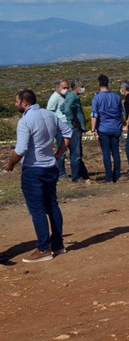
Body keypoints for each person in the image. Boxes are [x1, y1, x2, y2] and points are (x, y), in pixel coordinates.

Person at [3, 89, 72, 263]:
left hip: (33, 170)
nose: (15, 104)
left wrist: (10, 164)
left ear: (24, 103)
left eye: (16, 101)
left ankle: (43, 249)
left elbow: (21, 149)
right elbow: (68, 133)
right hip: (50, 166)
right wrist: (58, 154)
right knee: (52, 206)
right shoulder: (49, 115)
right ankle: (58, 244)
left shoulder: (25, 121)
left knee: (37, 210)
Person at [90, 74, 123, 183]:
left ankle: (109, 177)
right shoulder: (116, 97)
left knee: (106, 153)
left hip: (103, 129)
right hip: (115, 127)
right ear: (108, 83)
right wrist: (121, 126)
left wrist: (93, 129)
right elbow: (121, 113)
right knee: (116, 152)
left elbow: (94, 115)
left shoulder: (96, 98)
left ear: (99, 84)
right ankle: (117, 175)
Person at [60, 79, 89, 182]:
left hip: (73, 127)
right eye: (82, 86)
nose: (83, 88)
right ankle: (76, 177)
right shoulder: (72, 97)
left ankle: (82, 174)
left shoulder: (70, 96)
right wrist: (72, 120)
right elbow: (66, 109)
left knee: (77, 152)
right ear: (77, 88)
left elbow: (62, 107)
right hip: (74, 128)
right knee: (76, 153)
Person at [46, 78, 70, 178]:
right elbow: (49, 113)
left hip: (66, 126)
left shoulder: (65, 96)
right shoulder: (54, 98)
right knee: (61, 150)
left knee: (66, 149)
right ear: (57, 87)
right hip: (59, 127)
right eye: (64, 87)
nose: (66, 89)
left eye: (67, 87)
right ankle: (61, 173)